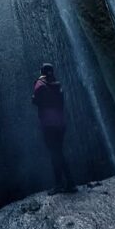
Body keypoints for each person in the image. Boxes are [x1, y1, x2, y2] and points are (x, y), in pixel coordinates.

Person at [32, 63, 77, 194]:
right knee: (58, 153)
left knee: (55, 154)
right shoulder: (58, 85)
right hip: (60, 123)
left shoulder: (40, 84)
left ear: (42, 72)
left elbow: (35, 100)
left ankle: (65, 183)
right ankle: (66, 183)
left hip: (48, 124)